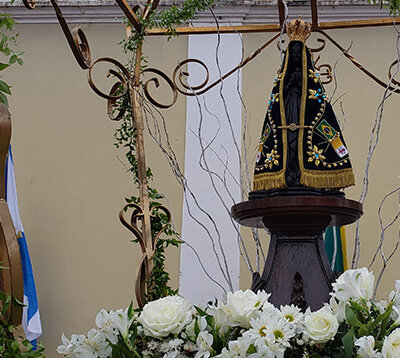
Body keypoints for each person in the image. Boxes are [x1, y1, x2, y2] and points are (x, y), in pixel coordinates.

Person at [252, 19, 355, 197]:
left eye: (298, 54)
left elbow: (318, 104)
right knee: (288, 139)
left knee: (302, 138)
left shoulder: (311, 81)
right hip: (289, 108)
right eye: (293, 54)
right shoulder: (283, 79)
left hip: (303, 111)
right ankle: (288, 172)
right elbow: (276, 103)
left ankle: (302, 172)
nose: (295, 57)